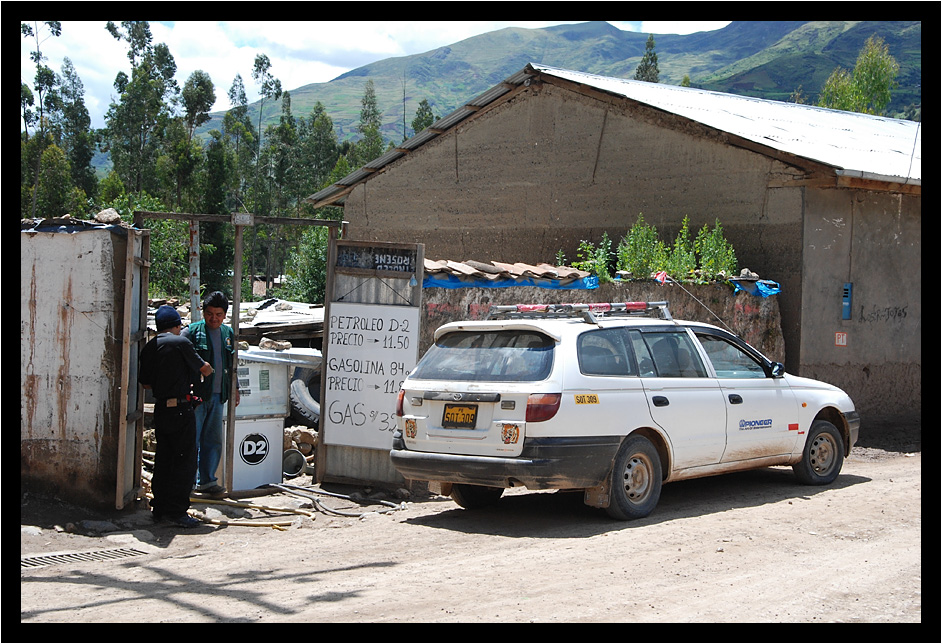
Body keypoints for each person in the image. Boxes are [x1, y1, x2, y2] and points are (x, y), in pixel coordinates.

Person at [139, 305, 213, 528]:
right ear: (176, 325)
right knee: (184, 461)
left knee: (163, 459)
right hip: (181, 410)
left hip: (161, 410)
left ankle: (159, 509)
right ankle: (178, 512)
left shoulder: (149, 347)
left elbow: (145, 384)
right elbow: (205, 369)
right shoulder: (181, 342)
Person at [183, 291, 240, 495]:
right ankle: (187, 483)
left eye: (218, 314)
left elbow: (232, 364)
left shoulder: (228, 334)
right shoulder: (191, 332)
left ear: (225, 315)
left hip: (218, 396)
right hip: (197, 398)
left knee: (213, 440)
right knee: (192, 440)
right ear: (203, 312)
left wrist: (235, 388)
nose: (213, 318)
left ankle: (207, 482)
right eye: (209, 314)